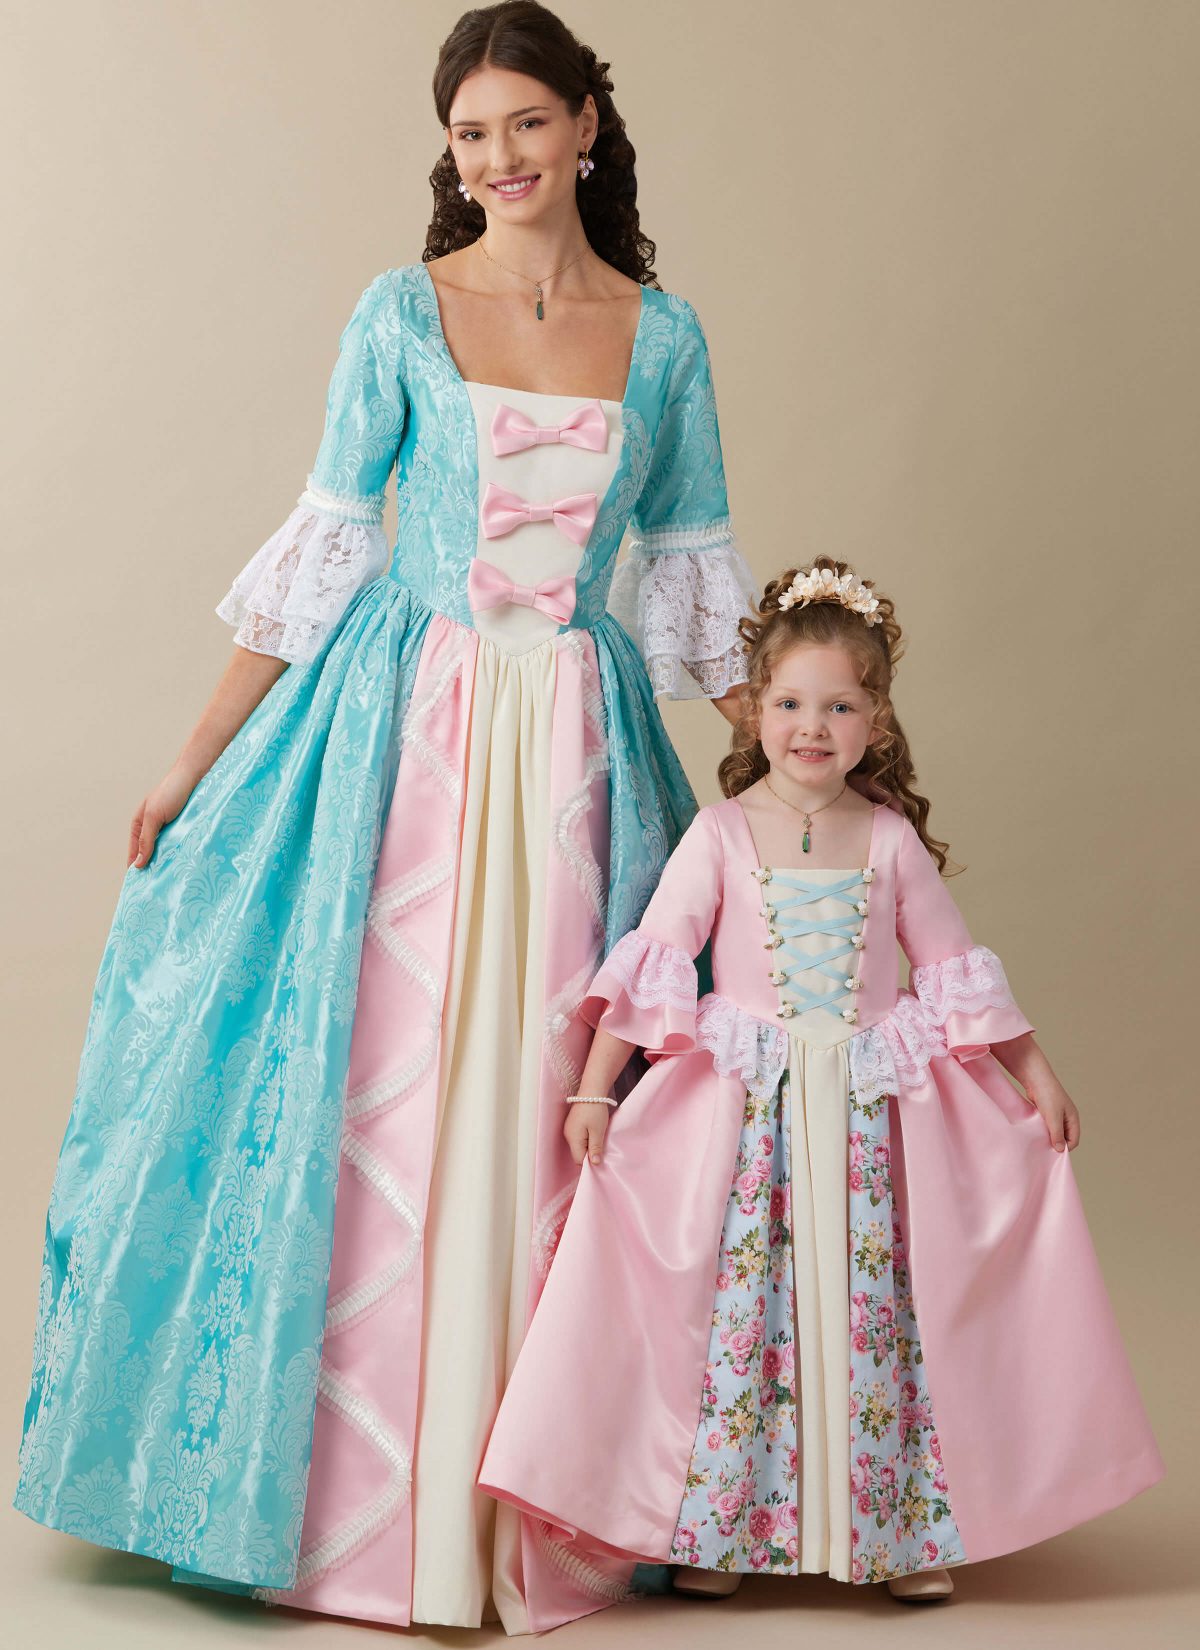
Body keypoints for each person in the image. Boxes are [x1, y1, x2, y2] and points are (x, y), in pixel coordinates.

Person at [13, 2, 755, 1634]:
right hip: (404, 740)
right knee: (389, 1093)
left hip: (581, 754)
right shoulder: (401, 310)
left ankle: (555, 1497)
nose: (496, 159)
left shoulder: (667, 336)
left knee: (557, 1094)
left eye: (525, 123)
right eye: (469, 134)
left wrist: (799, 788)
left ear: (587, 125)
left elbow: (698, 582)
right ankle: (365, 1516)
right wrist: (190, 761)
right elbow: (331, 540)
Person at [480, 559, 1164, 1605]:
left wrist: (1038, 1076)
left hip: (869, 1122)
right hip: (744, 1117)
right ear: (754, 711)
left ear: (876, 722)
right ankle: (722, 1532)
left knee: (877, 1310)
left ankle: (898, 1530)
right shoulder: (719, 835)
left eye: (840, 706)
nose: (813, 727)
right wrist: (593, 1088)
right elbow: (658, 958)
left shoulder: (888, 839)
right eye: (791, 704)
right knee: (743, 1314)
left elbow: (954, 969)